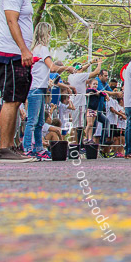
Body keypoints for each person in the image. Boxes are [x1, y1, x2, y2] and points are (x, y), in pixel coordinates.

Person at [0, 0, 39, 163]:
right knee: (11, 99)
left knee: (17, 98)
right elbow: (12, 21)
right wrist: (24, 50)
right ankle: (3, 148)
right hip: (10, 52)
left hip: (17, 53)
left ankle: (9, 146)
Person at [23, 22, 75, 159]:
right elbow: (52, 67)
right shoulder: (42, 49)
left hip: (39, 88)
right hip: (36, 88)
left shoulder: (35, 49)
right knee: (33, 121)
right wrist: (67, 68)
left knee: (40, 121)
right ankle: (28, 147)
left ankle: (39, 148)